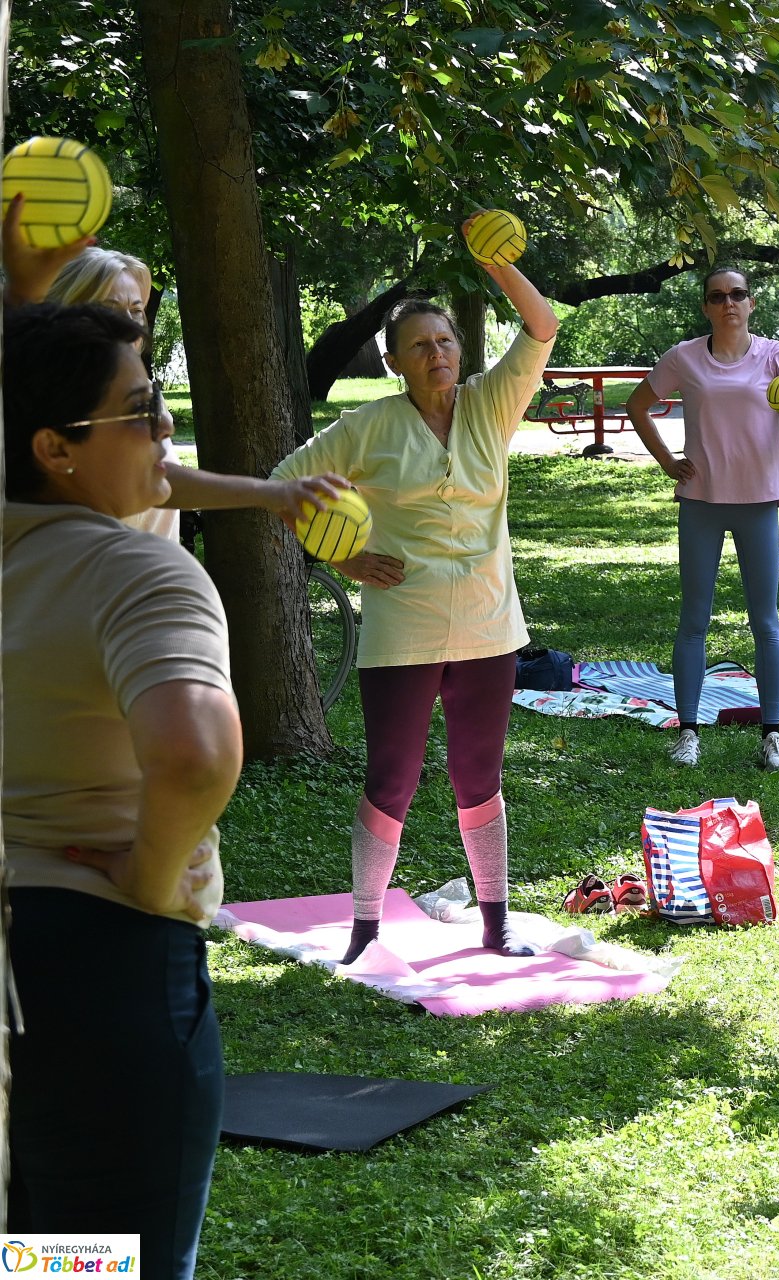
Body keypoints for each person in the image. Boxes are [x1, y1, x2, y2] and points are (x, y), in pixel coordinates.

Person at [4, 303, 244, 1277]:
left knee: (30, 1256)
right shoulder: (137, 569)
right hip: (97, 979)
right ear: (55, 447)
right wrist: (151, 876)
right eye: (140, 409)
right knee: (102, 1264)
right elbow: (194, 753)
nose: (165, 427)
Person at [271, 218, 558, 963]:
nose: (438, 354)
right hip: (403, 625)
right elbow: (283, 484)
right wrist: (344, 557)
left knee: (479, 777)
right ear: (394, 361)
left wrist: (496, 264)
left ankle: (496, 923)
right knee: (391, 778)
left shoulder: (492, 403)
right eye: (421, 346)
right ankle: (364, 931)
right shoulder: (368, 426)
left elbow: (542, 326)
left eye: (446, 341)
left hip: (490, 625)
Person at [623, 267, 779, 770]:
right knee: (694, 619)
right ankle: (688, 732)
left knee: (765, 621)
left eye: (737, 294)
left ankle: (772, 736)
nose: (728, 302)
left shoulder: (775, 356)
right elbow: (638, 405)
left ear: (751, 303)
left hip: (759, 501)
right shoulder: (685, 357)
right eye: (717, 296)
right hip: (702, 501)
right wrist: (667, 461)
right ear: (706, 306)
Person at [43, 243, 341, 542]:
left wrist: (271, 494)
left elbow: (163, 481)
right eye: (108, 310)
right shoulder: (49, 398)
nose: (131, 325)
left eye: (136, 310)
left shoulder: (140, 389)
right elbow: (155, 477)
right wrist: (269, 493)